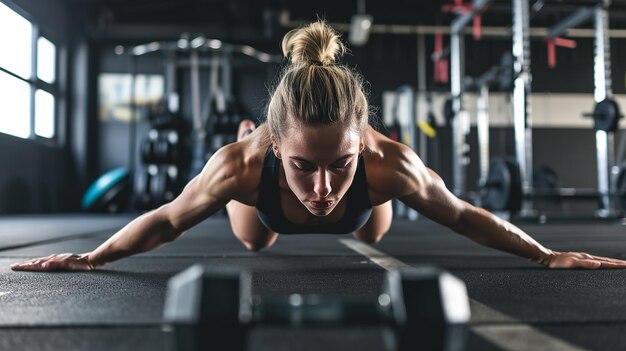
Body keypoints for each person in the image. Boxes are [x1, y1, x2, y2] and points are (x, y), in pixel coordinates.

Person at [11, 21, 626, 272]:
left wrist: (546, 256)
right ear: (278, 146)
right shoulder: (241, 168)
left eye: (342, 162)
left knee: (371, 230)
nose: (323, 187)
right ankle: (258, 139)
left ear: (362, 142)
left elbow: (465, 215)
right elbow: (169, 220)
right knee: (256, 239)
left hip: (375, 187)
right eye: (304, 165)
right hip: (261, 196)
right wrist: (92, 258)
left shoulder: (391, 167)